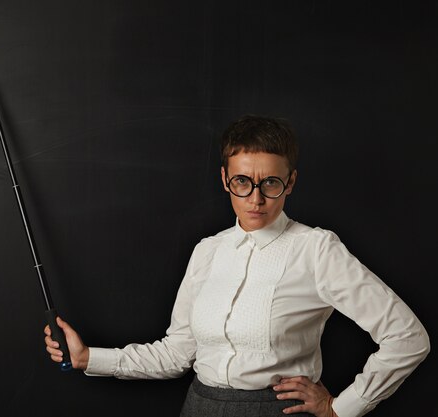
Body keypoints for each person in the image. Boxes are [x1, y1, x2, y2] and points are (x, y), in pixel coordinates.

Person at [44, 114, 430, 417]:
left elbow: (407, 338)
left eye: (271, 183)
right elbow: (177, 354)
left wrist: (340, 409)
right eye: (243, 182)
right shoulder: (208, 251)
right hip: (199, 408)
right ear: (225, 179)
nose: (256, 199)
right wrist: (86, 357)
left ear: (291, 182)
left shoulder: (316, 249)